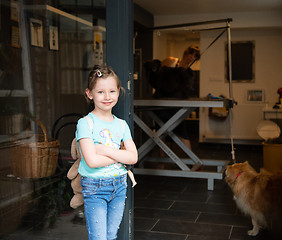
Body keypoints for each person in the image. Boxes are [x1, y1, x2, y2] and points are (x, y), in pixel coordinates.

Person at [76, 65, 138, 240]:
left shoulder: (121, 125)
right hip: (95, 187)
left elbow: (133, 157)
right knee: (99, 238)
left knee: (111, 236)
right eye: (100, 92)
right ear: (89, 94)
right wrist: (119, 155)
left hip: (119, 185)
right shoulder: (85, 123)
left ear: (118, 92)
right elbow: (92, 161)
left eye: (112, 91)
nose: (107, 96)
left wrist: (104, 150)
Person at [145, 46, 200, 165]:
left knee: (181, 131)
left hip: (176, 107)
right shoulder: (170, 63)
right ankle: (162, 162)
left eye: (195, 55)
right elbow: (157, 82)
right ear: (186, 53)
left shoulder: (188, 73)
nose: (192, 56)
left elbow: (183, 90)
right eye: (191, 53)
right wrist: (157, 68)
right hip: (160, 105)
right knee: (161, 132)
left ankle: (193, 162)